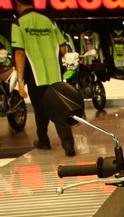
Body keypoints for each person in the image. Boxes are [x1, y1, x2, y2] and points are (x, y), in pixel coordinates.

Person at [11, 0, 76, 156]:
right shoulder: (48, 21)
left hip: (35, 77)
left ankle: (43, 140)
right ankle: (68, 143)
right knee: (60, 108)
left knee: (40, 110)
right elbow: (63, 47)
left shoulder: (18, 24)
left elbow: (19, 53)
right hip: (55, 75)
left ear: (18, 4)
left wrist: (20, 82)